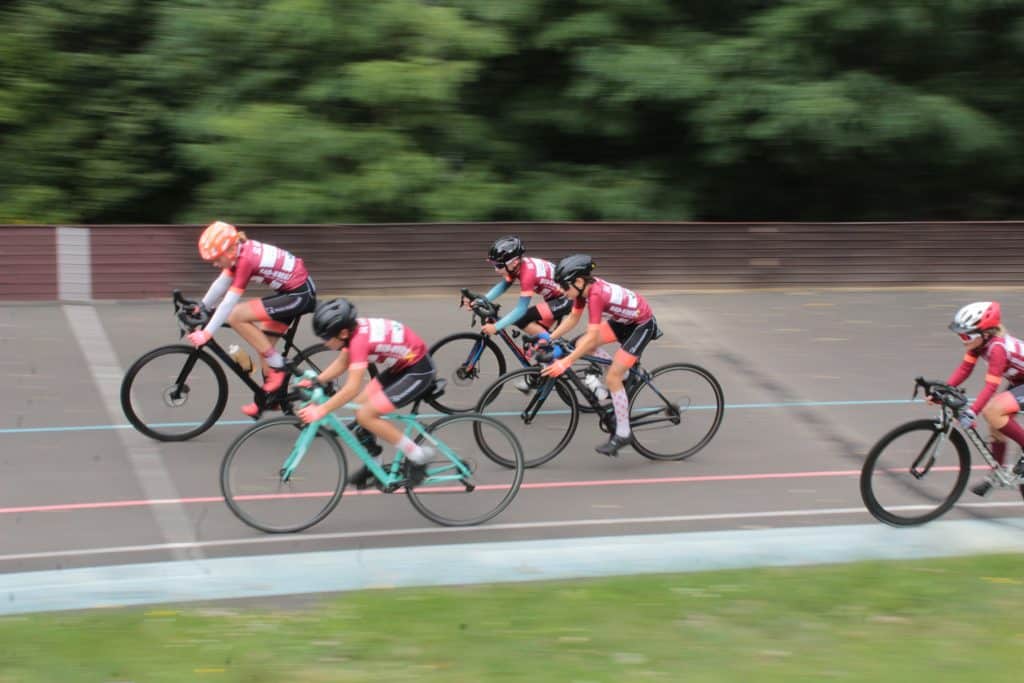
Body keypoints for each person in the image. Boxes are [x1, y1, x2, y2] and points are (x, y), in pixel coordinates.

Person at [297, 298, 436, 489]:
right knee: (360, 406)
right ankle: (374, 466)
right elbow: (342, 363)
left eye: (326, 338)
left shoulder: (358, 341)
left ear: (343, 332)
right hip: (400, 367)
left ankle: (419, 455)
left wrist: (321, 410)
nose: (325, 342)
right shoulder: (351, 334)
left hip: (418, 371)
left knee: (366, 414)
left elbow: (351, 387)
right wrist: (317, 381)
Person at [188, 220, 317, 417]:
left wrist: (206, 333)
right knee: (263, 344)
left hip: (299, 295)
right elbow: (220, 284)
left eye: (216, 258)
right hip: (291, 292)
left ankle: (280, 369)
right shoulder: (239, 253)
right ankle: (271, 399)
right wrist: (202, 306)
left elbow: (229, 302)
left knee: (236, 316)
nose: (214, 263)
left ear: (230, 251)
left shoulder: (246, 259)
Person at [540, 254, 660, 456]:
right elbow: (572, 319)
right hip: (622, 321)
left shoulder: (596, 295)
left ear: (578, 281)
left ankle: (623, 433)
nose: (560, 290)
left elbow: (592, 335)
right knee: (580, 344)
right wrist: (548, 338)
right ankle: (622, 373)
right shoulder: (581, 291)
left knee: (612, 377)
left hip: (641, 325)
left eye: (563, 286)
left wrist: (566, 362)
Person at [943, 301, 1024, 491]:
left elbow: (990, 387)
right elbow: (964, 369)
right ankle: (998, 472)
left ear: (985, 332)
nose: (963, 340)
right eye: (960, 335)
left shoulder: (997, 348)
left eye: (966, 335)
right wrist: (944, 390)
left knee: (993, 411)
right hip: (1019, 383)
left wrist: (972, 412)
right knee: (996, 424)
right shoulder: (977, 344)